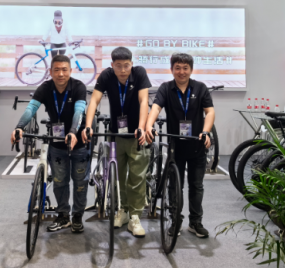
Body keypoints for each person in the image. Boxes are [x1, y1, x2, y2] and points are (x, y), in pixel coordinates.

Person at [11, 55, 88, 233]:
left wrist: (73, 131)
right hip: (57, 143)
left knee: (80, 183)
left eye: (64, 70)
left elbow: (79, 111)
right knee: (60, 182)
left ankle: (77, 216)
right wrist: (19, 127)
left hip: (78, 142)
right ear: (50, 71)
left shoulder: (78, 87)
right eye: (56, 70)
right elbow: (31, 108)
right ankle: (63, 216)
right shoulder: (45, 88)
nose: (60, 74)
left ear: (70, 70)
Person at [145, 53, 215, 238]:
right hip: (175, 146)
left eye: (185, 68)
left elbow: (209, 112)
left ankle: (195, 222)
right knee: (175, 186)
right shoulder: (166, 88)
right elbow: (156, 108)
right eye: (177, 68)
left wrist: (206, 132)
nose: (181, 72)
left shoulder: (200, 88)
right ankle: (175, 221)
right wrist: (149, 125)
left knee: (196, 186)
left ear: (191, 69)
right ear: (172, 69)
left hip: (197, 145)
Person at [85, 47, 151, 237]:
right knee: (117, 176)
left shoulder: (139, 73)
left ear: (132, 64)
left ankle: (135, 216)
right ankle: (122, 210)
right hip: (115, 135)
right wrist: (88, 125)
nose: (123, 70)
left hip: (136, 135)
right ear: (112, 65)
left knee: (137, 178)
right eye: (118, 66)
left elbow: (144, 101)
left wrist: (141, 127)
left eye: (126, 65)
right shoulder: (106, 76)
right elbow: (94, 101)